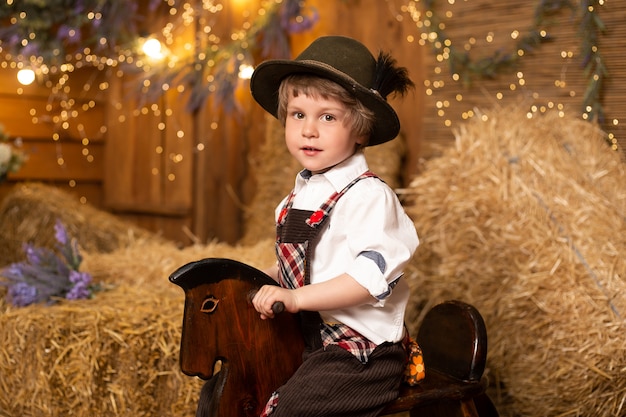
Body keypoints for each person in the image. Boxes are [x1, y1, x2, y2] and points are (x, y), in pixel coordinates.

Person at [249, 35, 419, 417]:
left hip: (361, 351)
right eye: (298, 114)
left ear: (360, 130)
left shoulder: (369, 197)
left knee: (293, 409)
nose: (309, 130)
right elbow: (308, 262)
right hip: (312, 338)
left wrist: (295, 299)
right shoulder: (295, 199)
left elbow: (366, 279)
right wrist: (269, 279)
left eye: (327, 116)